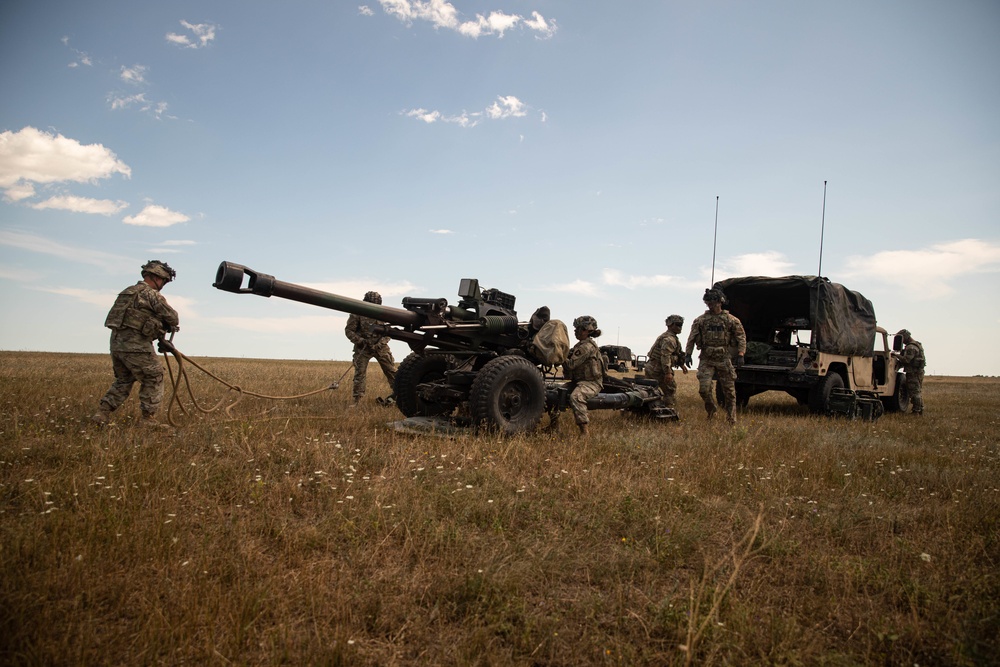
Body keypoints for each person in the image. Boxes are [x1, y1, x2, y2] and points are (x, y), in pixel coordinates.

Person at [92, 260, 179, 427]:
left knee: (124, 379)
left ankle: (102, 413)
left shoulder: (127, 292)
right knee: (154, 376)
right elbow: (173, 317)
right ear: (156, 277)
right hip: (136, 345)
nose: (163, 285)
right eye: (163, 281)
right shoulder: (151, 294)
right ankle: (148, 419)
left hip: (117, 344)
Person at [684, 288, 747, 423]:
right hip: (706, 358)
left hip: (724, 358)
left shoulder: (731, 320)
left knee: (729, 391)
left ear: (720, 302)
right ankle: (711, 410)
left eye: (713, 302)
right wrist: (688, 354)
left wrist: (741, 354)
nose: (710, 305)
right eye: (708, 303)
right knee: (704, 389)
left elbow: (741, 337)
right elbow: (692, 338)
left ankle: (731, 418)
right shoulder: (700, 320)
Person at [549, 315, 605, 437]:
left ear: (586, 330)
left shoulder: (586, 347)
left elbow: (570, 365)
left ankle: (585, 432)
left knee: (576, 397)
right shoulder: (580, 345)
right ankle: (553, 427)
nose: (575, 331)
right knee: (554, 395)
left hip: (591, 383)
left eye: (578, 329)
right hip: (579, 382)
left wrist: (560, 354)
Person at [345, 291, 396, 406]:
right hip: (363, 348)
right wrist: (361, 341)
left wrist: (380, 343)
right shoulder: (357, 313)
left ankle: (399, 396)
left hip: (381, 348)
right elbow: (349, 331)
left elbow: (390, 332)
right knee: (360, 374)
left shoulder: (385, 313)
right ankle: (357, 401)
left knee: (391, 371)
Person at [645, 314, 688, 410]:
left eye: (681, 325)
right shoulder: (669, 340)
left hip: (652, 366)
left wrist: (682, 365)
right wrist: (668, 372)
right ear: (670, 325)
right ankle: (667, 410)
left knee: (650, 390)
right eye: (677, 324)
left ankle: (649, 410)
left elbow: (677, 353)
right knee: (670, 390)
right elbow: (665, 356)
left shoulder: (669, 337)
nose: (680, 327)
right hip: (658, 368)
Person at [893, 329, 925, 415]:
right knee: (917, 391)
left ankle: (916, 411)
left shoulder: (911, 347)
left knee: (914, 392)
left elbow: (906, 360)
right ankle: (919, 409)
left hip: (913, 372)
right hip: (917, 372)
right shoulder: (917, 345)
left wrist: (896, 355)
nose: (902, 341)